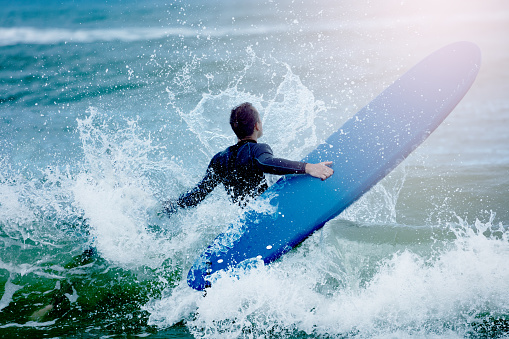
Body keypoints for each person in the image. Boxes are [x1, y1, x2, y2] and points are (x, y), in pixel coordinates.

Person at [164, 102, 333, 214]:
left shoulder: (220, 159)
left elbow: (199, 193)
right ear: (257, 125)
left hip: (243, 218)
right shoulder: (258, 149)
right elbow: (265, 162)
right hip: (264, 213)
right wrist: (308, 167)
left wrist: (174, 205)